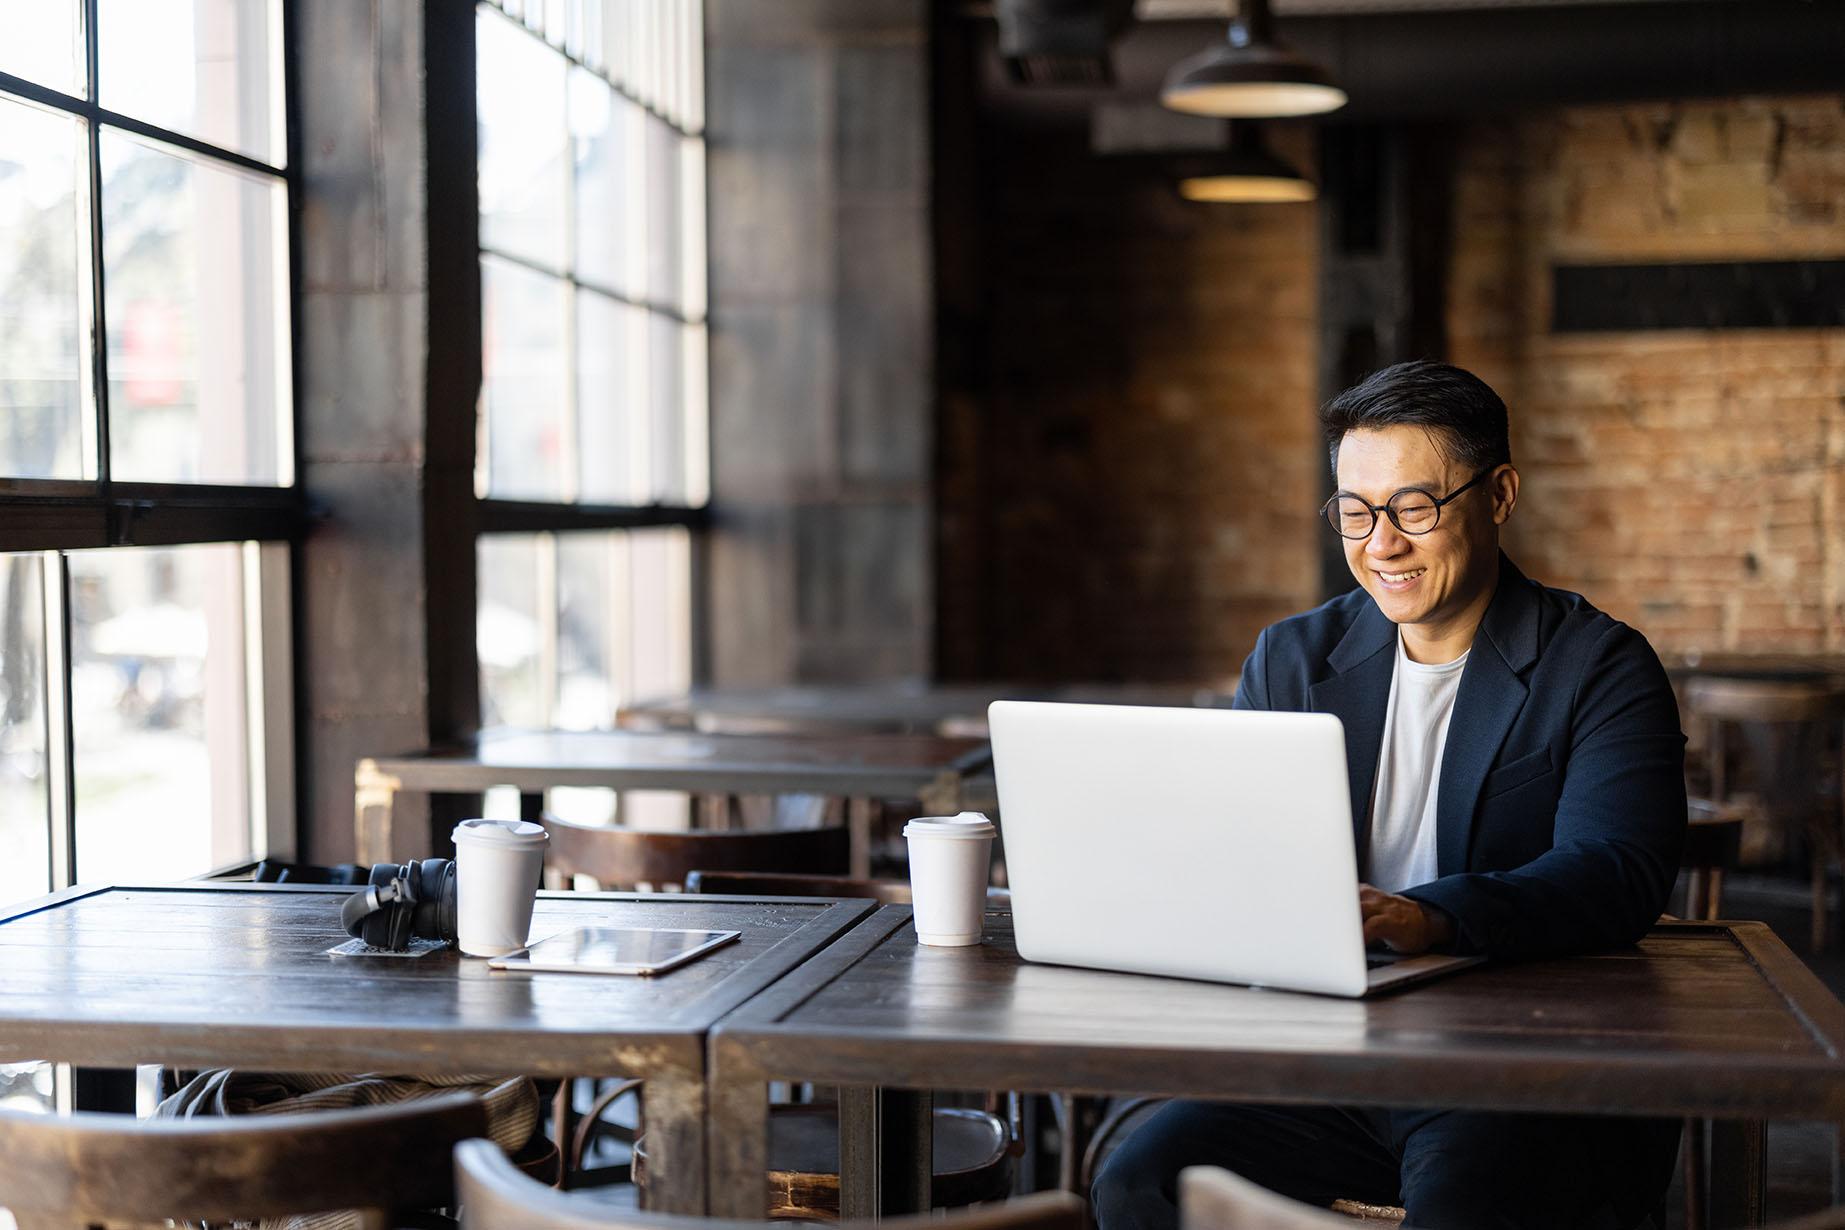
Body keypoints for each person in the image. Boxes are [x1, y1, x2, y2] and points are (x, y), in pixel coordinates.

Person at [1091, 360, 1686, 1230]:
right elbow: (1235, 857)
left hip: (1505, 1064)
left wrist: (1427, 917)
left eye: (1414, 507)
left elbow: (1615, 872)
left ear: (1500, 494)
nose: (1381, 544)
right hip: (1323, 1055)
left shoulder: (1597, 665)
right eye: (1355, 512)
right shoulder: (1292, 659)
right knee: (1140, 1181)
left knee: (1463, 1204)